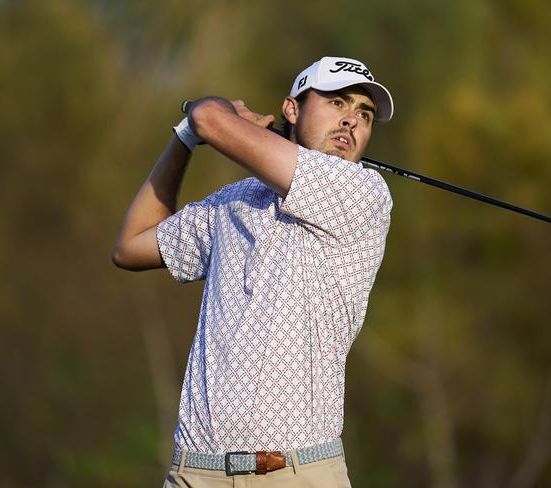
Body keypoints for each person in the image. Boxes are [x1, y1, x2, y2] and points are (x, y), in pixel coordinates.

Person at [112, 56, 394, 487]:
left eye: (364, 113)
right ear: (292, 109)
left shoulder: (361, 192)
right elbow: (131, 246)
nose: (351, 121)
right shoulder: (236, 199)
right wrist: (185, 137)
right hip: (196, 471)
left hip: (297, 472)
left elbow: (209, 117)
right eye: (337, 103)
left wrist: (207, 113)